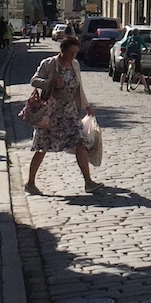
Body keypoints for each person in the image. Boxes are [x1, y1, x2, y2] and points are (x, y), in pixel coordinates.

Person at [25, 35, 98, 195]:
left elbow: (79, 87)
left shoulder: (75, 65)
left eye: (76, 53)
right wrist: (50, 82)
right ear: (62, 51)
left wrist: (87, 106)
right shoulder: (49, 64)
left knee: (81, 142)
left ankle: (88, 182)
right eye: (71, 53)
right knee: (42, 147)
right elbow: (34, 80)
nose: (73, 56)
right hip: (50, 114)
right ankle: (30, 183)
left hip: (70, 113)